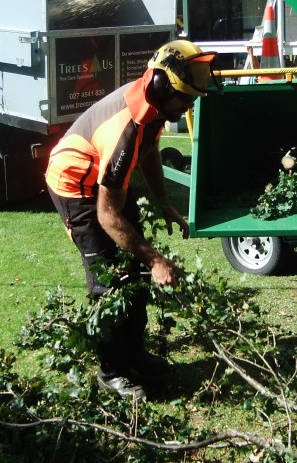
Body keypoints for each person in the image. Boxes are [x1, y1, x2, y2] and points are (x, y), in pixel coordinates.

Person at [45, 39, 217, 399]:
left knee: (134, 272)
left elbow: (151, 149)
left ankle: (134, 354)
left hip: (103, 179)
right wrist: (156, 260)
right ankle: (111, 371)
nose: (189, 104)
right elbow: (107, 216)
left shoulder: (153, 108)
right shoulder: (126, 130)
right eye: (185, 98)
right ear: (161, 85)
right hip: (75, 184)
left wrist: (164, 202)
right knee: (109, 280)